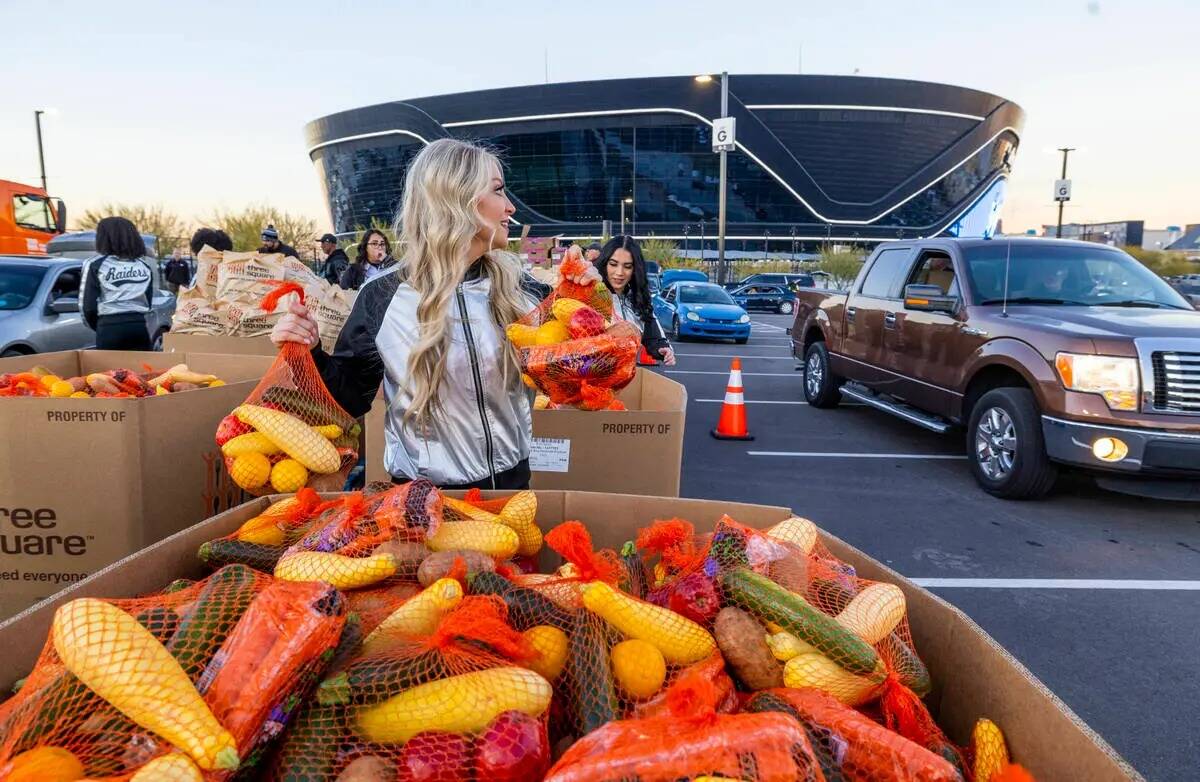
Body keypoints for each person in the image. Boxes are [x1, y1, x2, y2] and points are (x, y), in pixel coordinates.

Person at [270, 138, 597, 489]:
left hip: (512, 493)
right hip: (421, 506)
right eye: (499, 191)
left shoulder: (526, 290)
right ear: (458, 200)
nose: (511, 208)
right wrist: (310, 350)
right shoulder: (382, 297)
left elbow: (579, 379)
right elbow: (347, 400)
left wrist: (587, 302)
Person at [593, 235, 676, 365]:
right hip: (588, 376)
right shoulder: (589, 295)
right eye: (613, 264)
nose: (619, 272)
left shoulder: (638, 300)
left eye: (627, 266)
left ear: (635, 269)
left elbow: (655, 337)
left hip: (627, 377)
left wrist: (663, 350)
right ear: (604, 264)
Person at [80, 216, 156, 350]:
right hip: (139, 327)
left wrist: (101, 326)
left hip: (109, 327)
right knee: (142, 369)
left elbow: (87, 307)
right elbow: (148, 301)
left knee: (110, 371)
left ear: (103, 238)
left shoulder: (94, 264)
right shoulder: (144, 266)